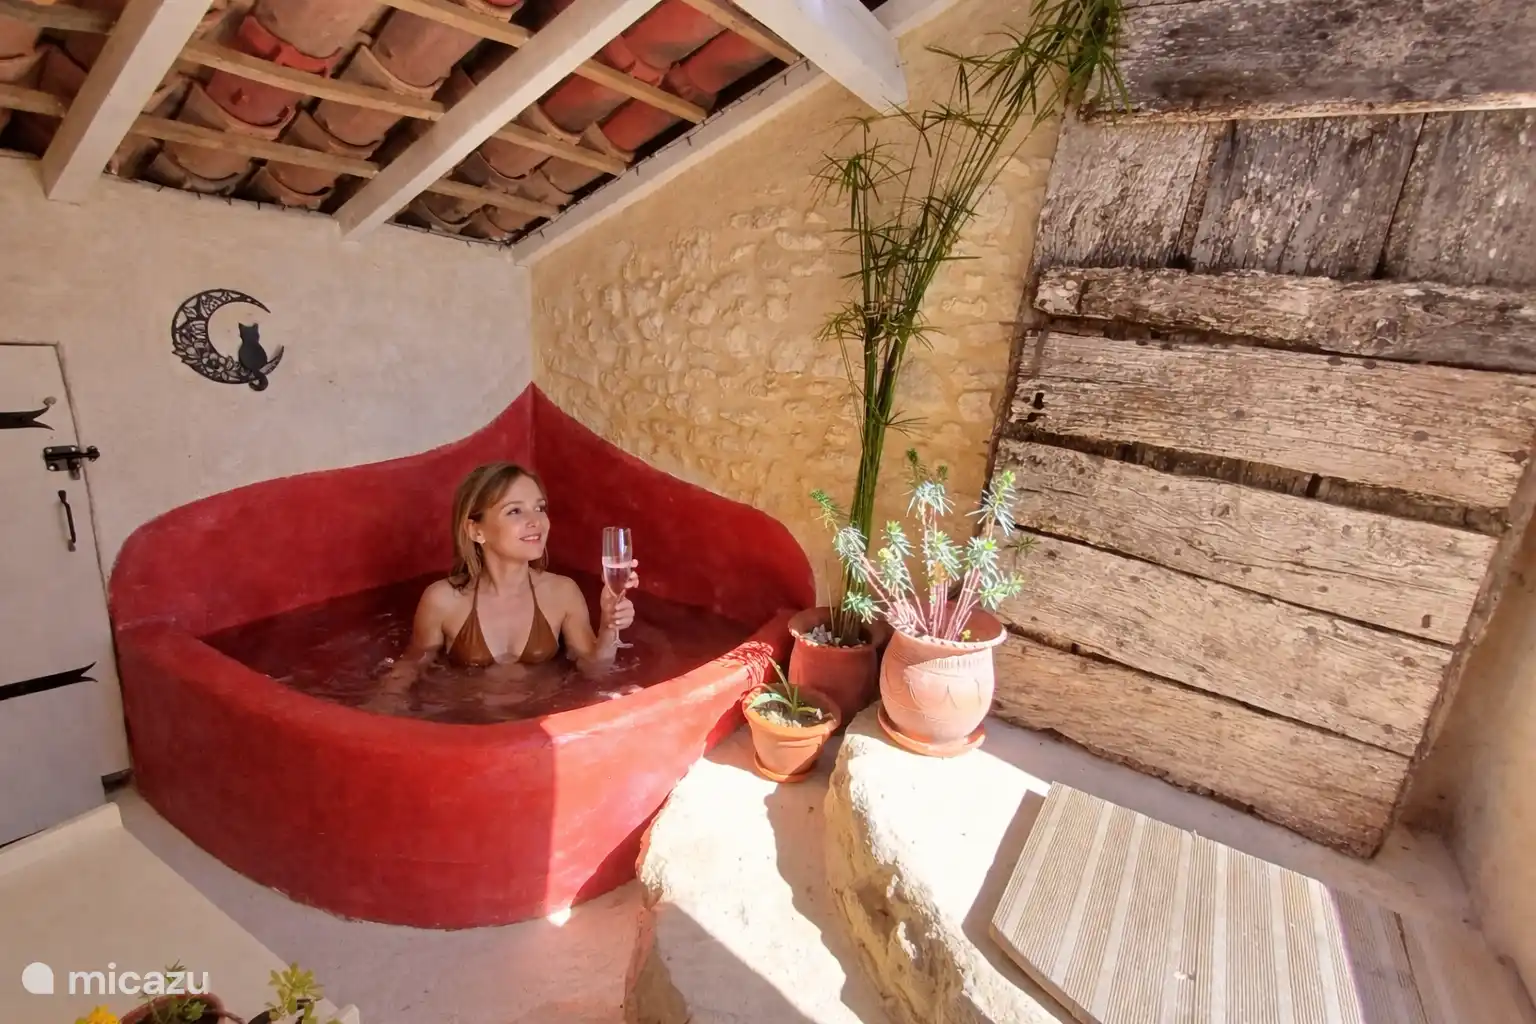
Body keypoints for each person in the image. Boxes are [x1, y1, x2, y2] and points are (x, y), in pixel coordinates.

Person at [377, 461, 638, 705]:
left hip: (541, 714)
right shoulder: (443, 600)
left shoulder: (562, 592)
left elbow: (596, 671)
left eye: (540, 508)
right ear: (476, 531)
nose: (536, 521)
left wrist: (609, 624)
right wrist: (382, 709)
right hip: (470, 722)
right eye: (515, 511)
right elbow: (410, 669)